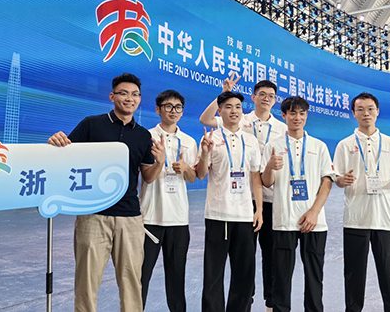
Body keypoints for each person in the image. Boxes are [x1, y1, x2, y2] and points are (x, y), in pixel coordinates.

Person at [48, 73, 165, 312]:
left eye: (135, 95)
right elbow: (65, 156)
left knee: (131, 282)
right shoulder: (91, 125)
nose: (129, 99)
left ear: (140, 99)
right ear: (112, 96)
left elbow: (148, 177)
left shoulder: (143, 136)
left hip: (130, 218)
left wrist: (160, 163)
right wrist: (56, 143)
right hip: (93, 215)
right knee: (87, 282)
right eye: (123, 93)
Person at [200, 74, 287, 311]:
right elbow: (206, 119)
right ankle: (242, 304)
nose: (266, 99)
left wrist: (259, 208)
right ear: (253, 97)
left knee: (264, 258)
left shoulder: (281, 128)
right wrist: (224, 94)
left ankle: (270, 303)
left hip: (266, 201)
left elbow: (260, 174)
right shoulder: (240, 120)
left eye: (271, 96)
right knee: (225, 268)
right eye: (262, 94)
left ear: (275, 100)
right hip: (231, 205)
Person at [333, 92, 390, 312]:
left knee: (388, 274)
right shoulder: (345, 145)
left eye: (370, 109)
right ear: (353, 113)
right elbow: (336, 177)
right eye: (360, 109)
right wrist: (341, 180)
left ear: (377, 112)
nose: (366, 113)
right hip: (355, 218)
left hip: (384, 219)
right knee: (354, 274)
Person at [261, 96, 334, 312]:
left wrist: (314, 212)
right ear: (284, 115)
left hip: (314, 222)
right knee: (281, 277)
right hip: (284, 220)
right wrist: (270, 166)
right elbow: (266, 182)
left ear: (306, 116)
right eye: (292, 113)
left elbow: (327, 181)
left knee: (314, 276)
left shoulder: (319, 146)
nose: (297, 117)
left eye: (302, 113)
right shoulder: (273, 146)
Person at [196, 91, 264, 312]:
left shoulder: (251, 140)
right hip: (218, 215)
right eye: (228, 106)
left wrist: (259, 209)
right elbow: (201, 174)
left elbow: (256, 178)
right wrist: (204, 153)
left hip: (244, 215)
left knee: (244, 274)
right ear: (220, 111)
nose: (234, 111)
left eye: (237, 107)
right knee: (213, 274)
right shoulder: (211, 138)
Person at [140, 90, 198, 312]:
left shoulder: (189, 142)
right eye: (168, 106)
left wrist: (185, 168)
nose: (173, 111)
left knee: (176, 278)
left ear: (182, 112)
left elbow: (192, 177)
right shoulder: (147, 137)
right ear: (158, 109)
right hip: (150, 218)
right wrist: (159, 162)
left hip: (178, 220)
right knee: (141, 277)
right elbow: (147, 177)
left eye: (178, 107)